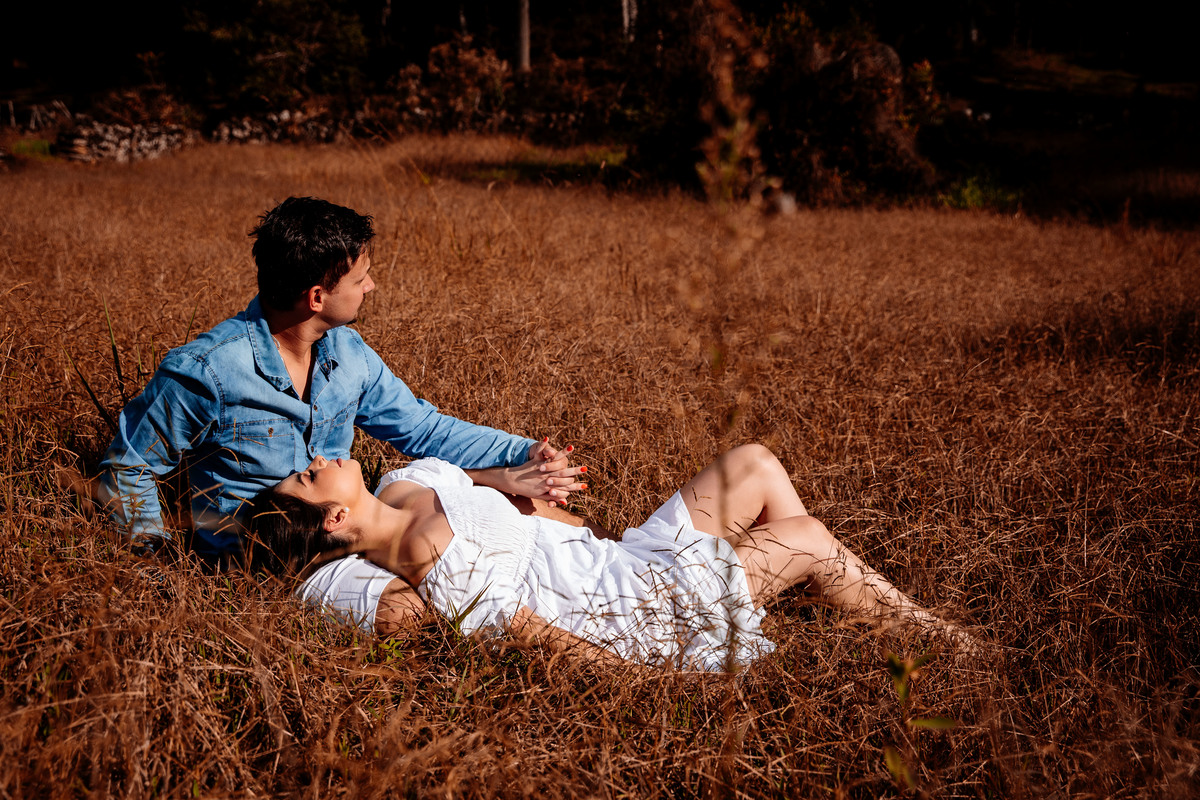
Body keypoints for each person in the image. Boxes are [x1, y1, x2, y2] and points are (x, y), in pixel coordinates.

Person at [97, 196, 581, 630]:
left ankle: (573, 609)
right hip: (273, 564)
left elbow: (421, 428)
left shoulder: (348, 353)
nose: (371, 286)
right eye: (359, 278)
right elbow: (130, 466)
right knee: (414, 611)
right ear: (316, 297)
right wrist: (156, 569)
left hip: (353, 532)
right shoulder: (207, 370)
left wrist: (524, 454)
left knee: (526, 514)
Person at [249, 444, 971, 671]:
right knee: (808, 536)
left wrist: (514, 482)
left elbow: (475, 484)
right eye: (311, 476)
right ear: (335, 518)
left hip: (616, 553)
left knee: (752, 462)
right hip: (628, 605)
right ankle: (952, 648)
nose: (318, 457)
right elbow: (531, 631)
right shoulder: (434, 576)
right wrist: (642, 684)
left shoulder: (408, 482)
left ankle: (799, 603)